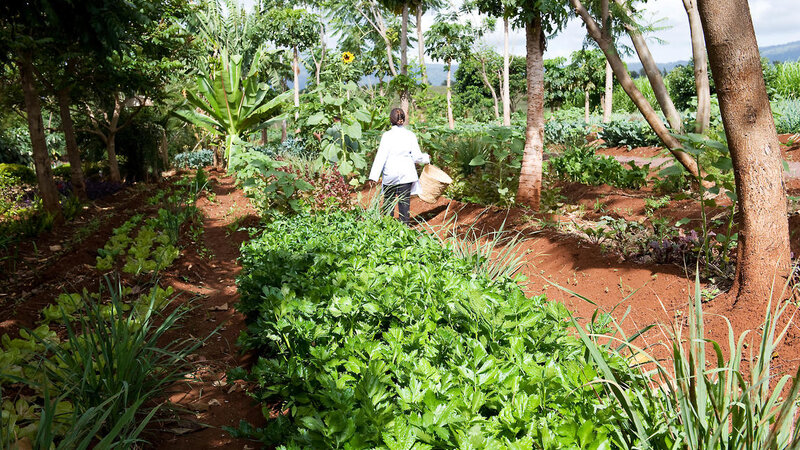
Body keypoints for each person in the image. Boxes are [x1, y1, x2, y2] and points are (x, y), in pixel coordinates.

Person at [368, 108, 430, 224]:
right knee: (404, 204)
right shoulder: (410, 135)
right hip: (406, 174)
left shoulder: (387, 136)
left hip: (390, 174)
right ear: (403, 120)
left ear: (391, 120)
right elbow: (416, 157)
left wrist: (373, 176)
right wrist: (426, 158)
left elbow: (380, 157)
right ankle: (404, 229)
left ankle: (387, 227)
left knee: (389, 203)